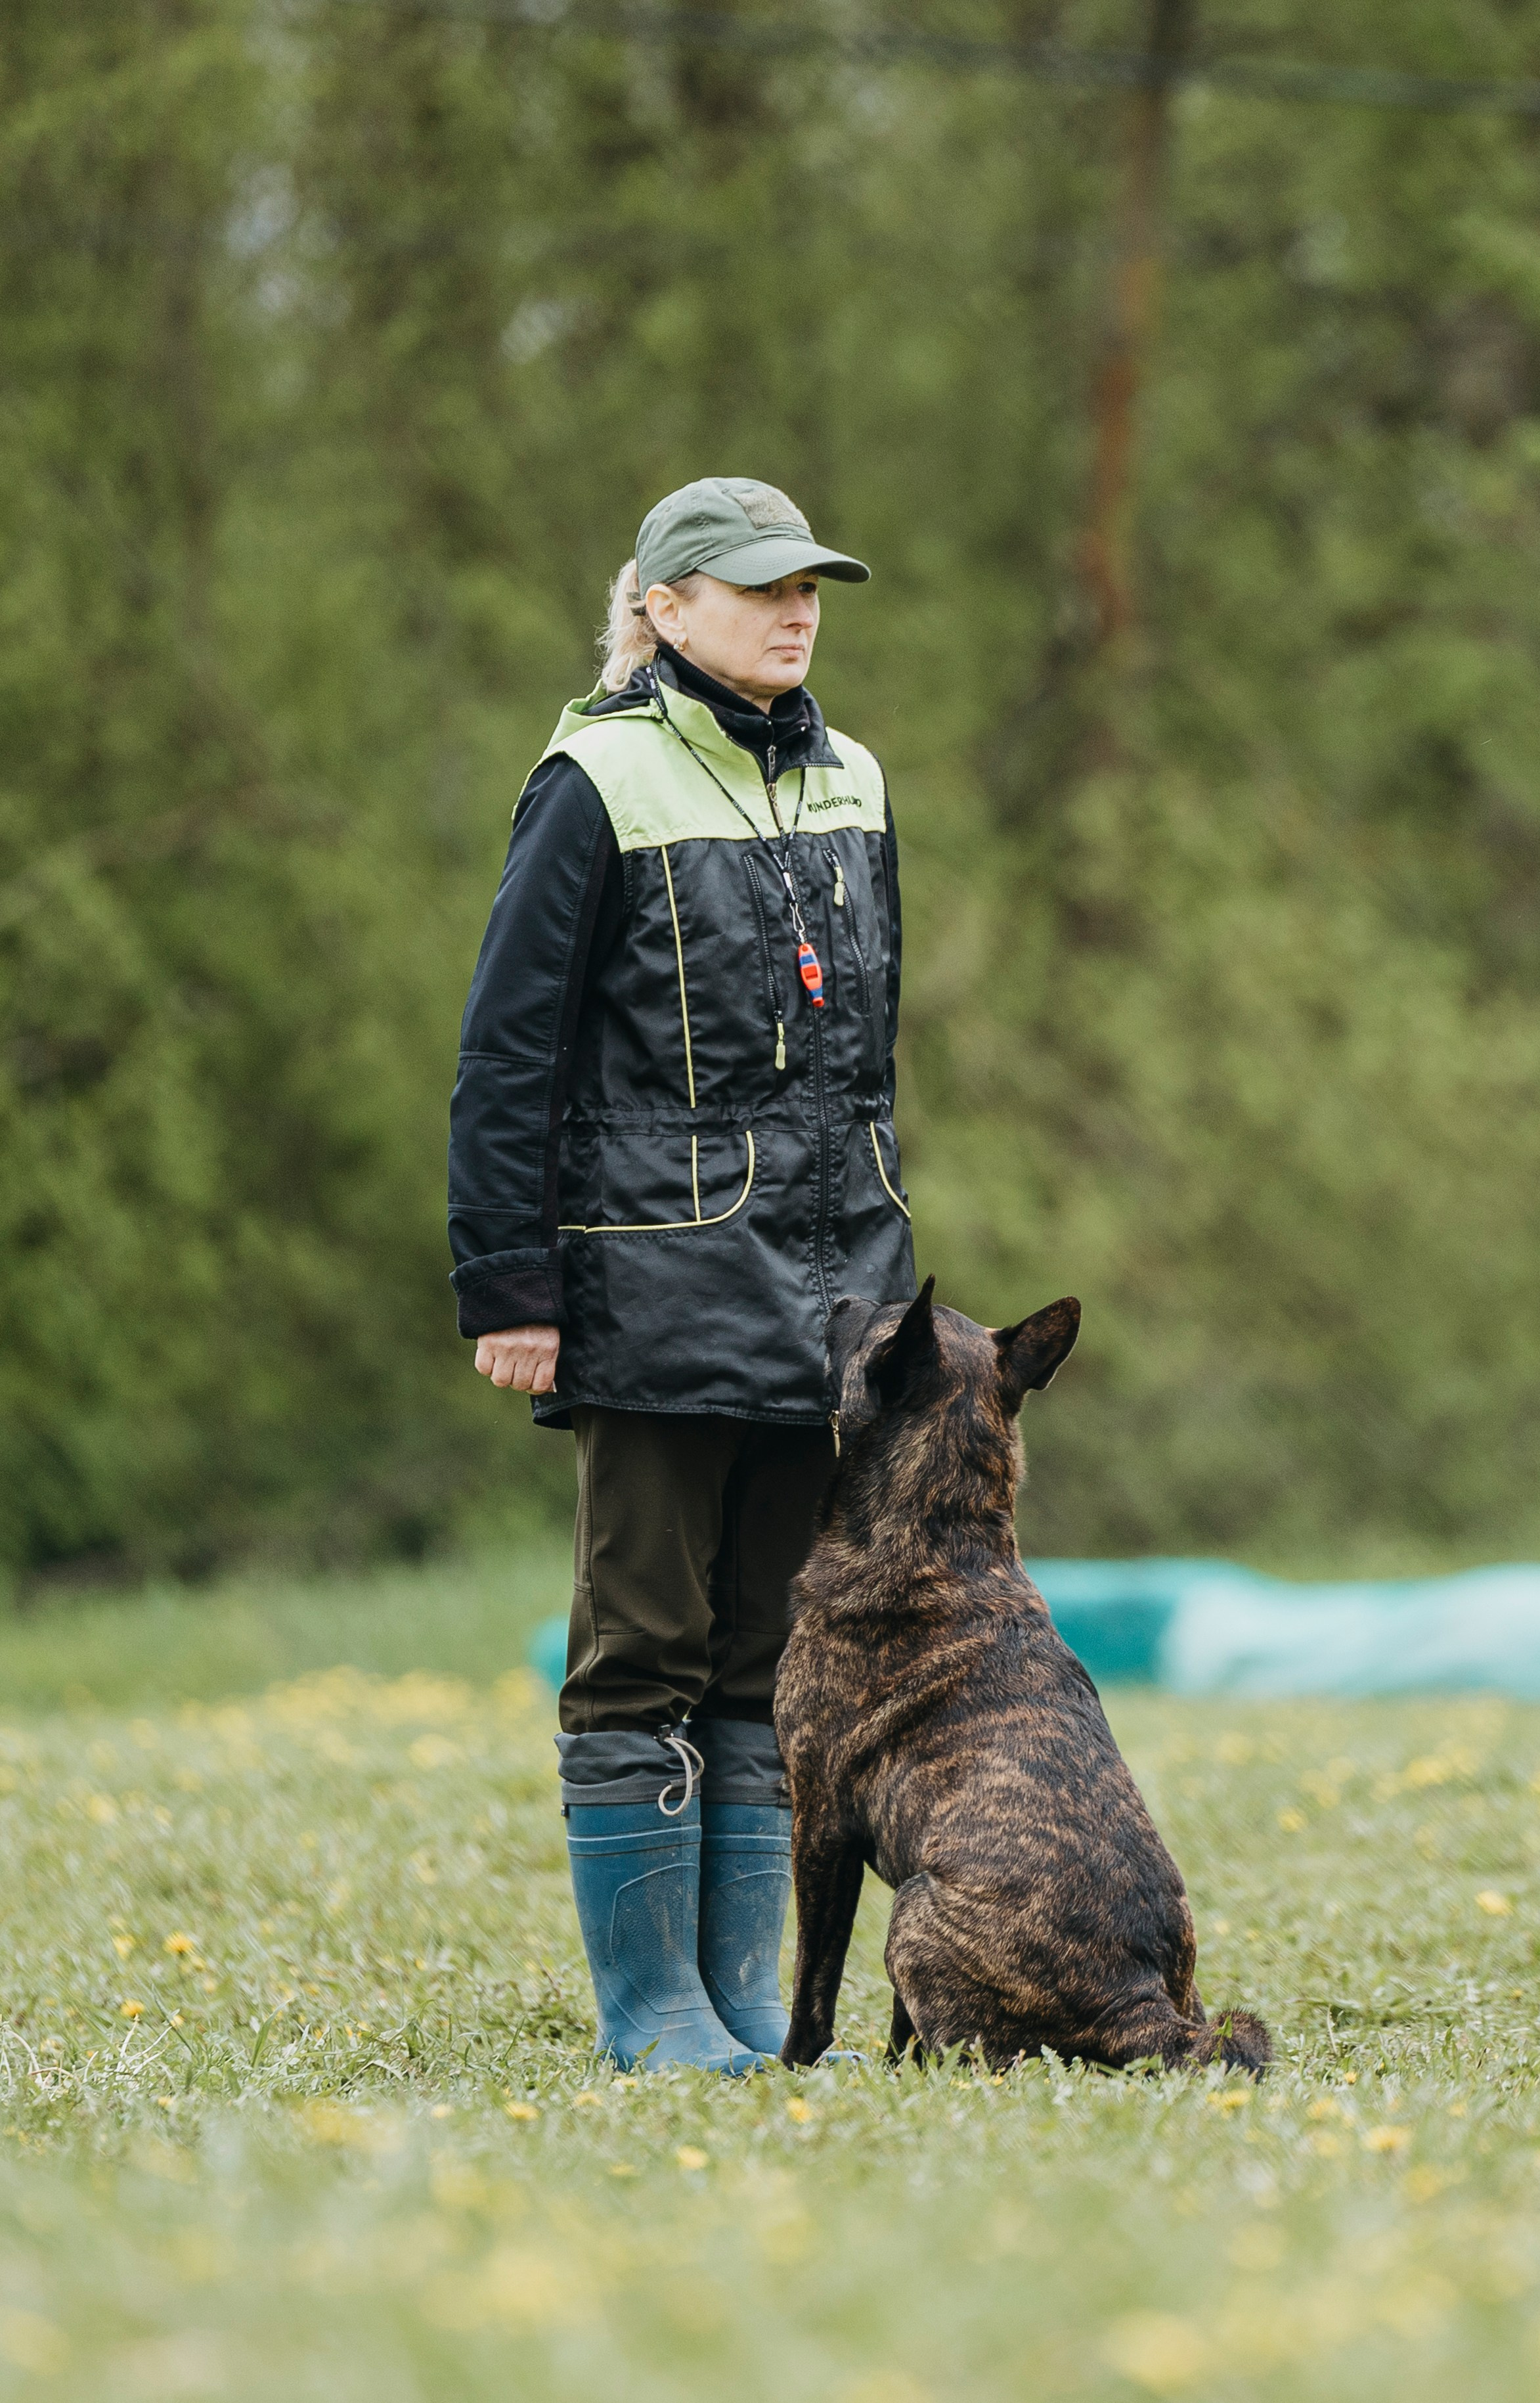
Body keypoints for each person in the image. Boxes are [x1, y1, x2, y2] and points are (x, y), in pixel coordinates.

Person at [447, 476, 916, 2069]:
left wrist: (886, 1259)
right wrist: (510, 1284)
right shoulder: (595, 779)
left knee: (767, 1649)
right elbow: (507, 1054)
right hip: (649, 1289)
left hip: (833, 1293)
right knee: (640, 1642)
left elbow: (871, 1060)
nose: (793, 611)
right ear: (660, 606)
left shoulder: (855, 778)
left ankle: (738, 2001)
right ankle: (650, 2009)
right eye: (755, 587)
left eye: (806, 588)